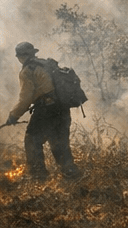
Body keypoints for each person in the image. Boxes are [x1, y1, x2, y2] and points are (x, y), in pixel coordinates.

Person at [7, 41, 80, 180]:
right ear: (33, 53)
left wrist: (13, 116)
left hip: (46, 111)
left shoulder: (27, 71)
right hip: (62, 108)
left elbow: (25, 99)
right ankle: (72, 174)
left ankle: (37, 176)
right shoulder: (47, 64)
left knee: (32, 139)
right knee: (60, 143)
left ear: (21, 57)